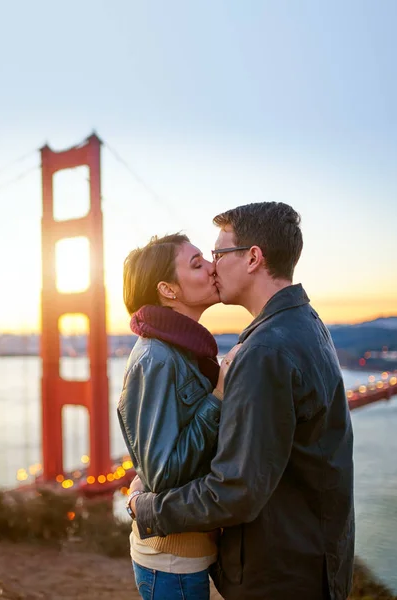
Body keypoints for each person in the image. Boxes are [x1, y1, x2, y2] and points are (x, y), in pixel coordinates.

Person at [128, 203, 355, 600]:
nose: (213, 267)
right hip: (311, 559)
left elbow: (235, 489)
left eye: (216, 255)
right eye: (201, 261)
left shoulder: (265, 349)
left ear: (252, 257)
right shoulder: (306, 322)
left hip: (280, 573)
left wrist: (146, 508)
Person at [118, 233, 240, 600]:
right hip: (171, 562)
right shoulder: (156, 358)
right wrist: (218, 396)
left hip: (189, 552)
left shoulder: (185, 350)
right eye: (197, 263)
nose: (212, 267)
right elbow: (164, 473)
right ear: (168, 290)